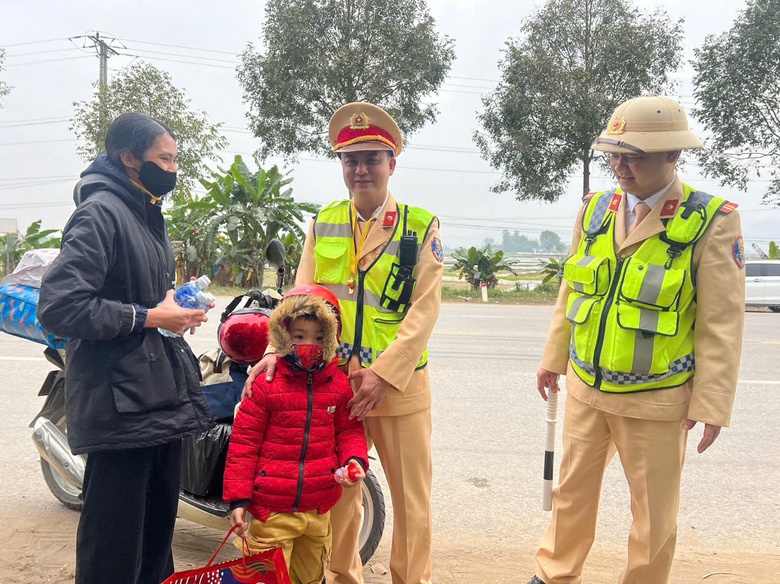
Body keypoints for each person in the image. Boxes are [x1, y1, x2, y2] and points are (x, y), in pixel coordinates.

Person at [527, 94, 745, 584]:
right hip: (587, 388)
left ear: (672, 155)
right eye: (613, 154)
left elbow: (721, 322)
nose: (619, 167)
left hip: (657, 400)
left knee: (652, 516)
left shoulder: (711, 220)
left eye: (633, 156)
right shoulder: (595, 210)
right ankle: (554, 574)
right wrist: (553, 358)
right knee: (570, 495)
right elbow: (572, 288)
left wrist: (711, 403)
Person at [245, 102, 443, 584]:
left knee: (410, 500)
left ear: (392, 164)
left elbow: (424, 310)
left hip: (397, 387)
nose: (361, 170)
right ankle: (342, 577)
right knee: (338, 493)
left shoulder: (420, 225)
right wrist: (273, 351)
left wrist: (383, 374)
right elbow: (299, 302)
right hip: (333, 387)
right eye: (351, 160)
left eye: (372, 159)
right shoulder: (324, 222)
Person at [38, 113, 215, 584]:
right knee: (114, 547)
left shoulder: (147, 212)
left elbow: (142, 298)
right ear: (130, 158)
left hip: (156, 395)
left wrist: (175, 309)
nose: (173, 169)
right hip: (119, 406)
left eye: (175, 160)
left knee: (155, 540)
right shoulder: (101, 213)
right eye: (165, 159)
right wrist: (151, 316)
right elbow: (60, 306)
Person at [223, 285, 369, 584]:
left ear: (332, 339)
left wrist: (355, 459)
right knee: (266, 579)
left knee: (310, 577)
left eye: (319, 338)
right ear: (283, 336)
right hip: (271, 513)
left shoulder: (338, 386)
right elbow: (243, 445)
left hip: (318, 509)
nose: (309, 345)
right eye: (299, 336)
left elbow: (349, 431)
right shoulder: (266, 385)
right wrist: (238, 499)